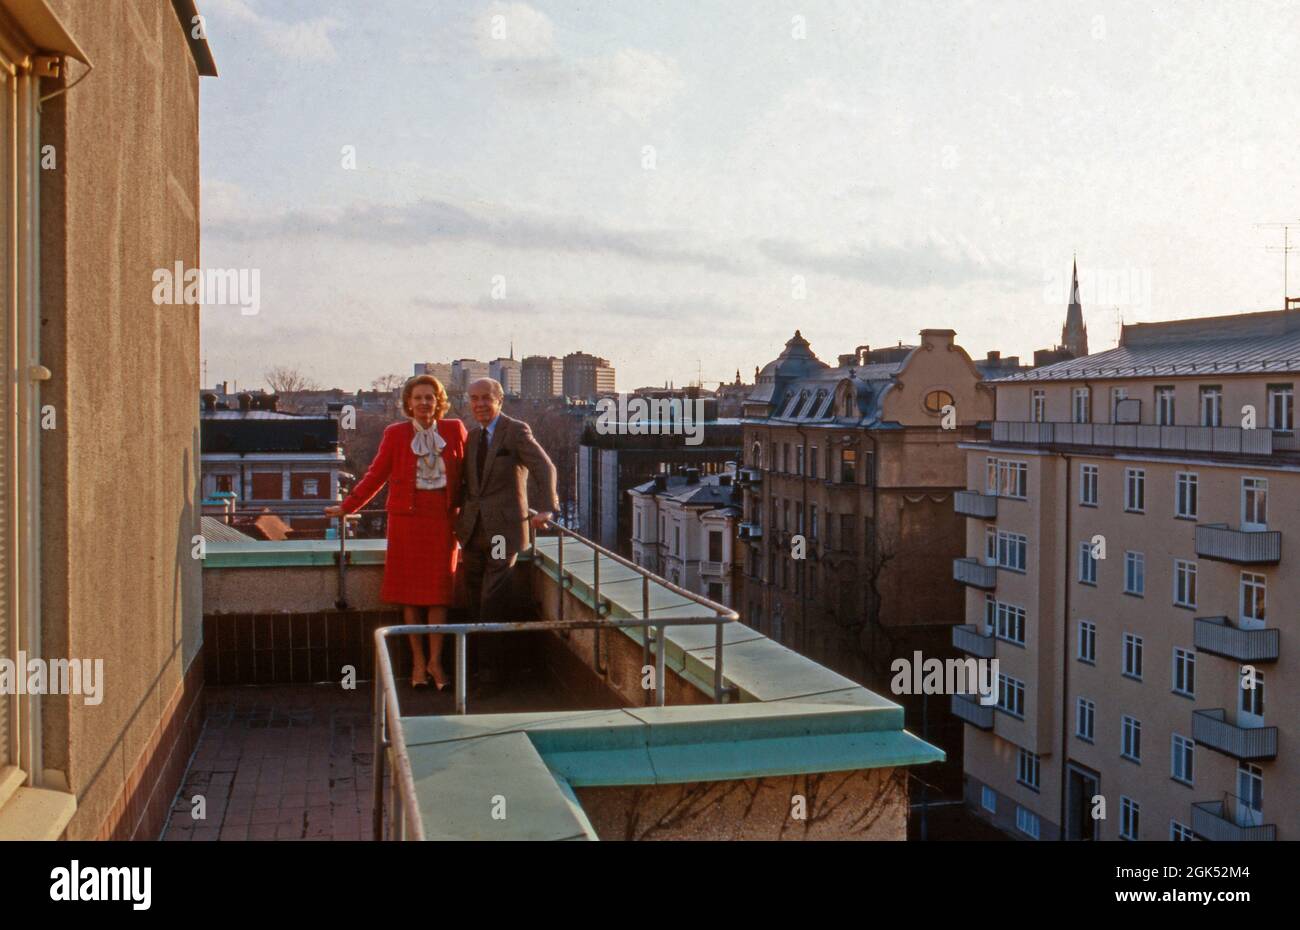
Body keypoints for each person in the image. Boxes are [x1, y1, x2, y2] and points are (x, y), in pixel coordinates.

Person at [326, 375, 467, 689]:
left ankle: (436, 661)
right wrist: (347, 506)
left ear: (439, 401)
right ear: (408, 403)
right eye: (417, 398)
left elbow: (471, 473)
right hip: (406, 522)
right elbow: (376, 475)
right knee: (410, 596)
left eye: (430, 397)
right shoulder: (395, 434)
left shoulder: (454, 430)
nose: (423, 403)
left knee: (438, 595)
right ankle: (417, 663)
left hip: (443, 522)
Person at [455, 378, 558, 692]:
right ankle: (478, 669)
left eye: (486, 398)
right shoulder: (472, 437)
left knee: (492, 600)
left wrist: (546, 508)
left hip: (504, 533)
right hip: (473, 532)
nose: (480, 404)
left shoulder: (515, 430)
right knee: (473, 600)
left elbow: (544, 467)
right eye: (474, 399)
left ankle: (492, 675)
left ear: (499, 400)